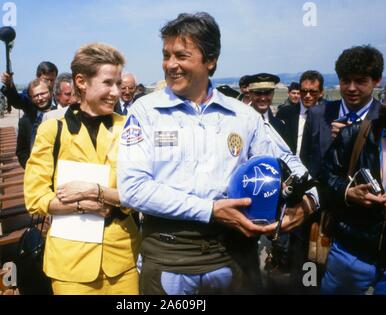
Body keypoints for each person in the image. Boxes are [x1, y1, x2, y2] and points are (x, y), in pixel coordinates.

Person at [117, 12, 316, 295]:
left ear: (210, 60)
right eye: (166, 55)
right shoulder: (144, 112)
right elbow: (132, 189)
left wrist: (308, 202)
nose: (170, 65)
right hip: (170, 258)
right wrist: (210, 210)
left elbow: (292, 166)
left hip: (234, 257)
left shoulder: (244, 117)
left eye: (181, 55)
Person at [24, 43, 140, 295]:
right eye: (108, 83)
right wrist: (81, 205)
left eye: (119, 84)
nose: (116, 92)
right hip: (70, 263)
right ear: (81, 81)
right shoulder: (52, 130)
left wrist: (97, 192)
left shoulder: (130, 128)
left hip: (122, 261)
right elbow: (35, 199)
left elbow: (140, 192)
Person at [318, 45, 385, 294]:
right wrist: (347, 191)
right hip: (343, 239)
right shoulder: (319, 113)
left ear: (376, 81)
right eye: (346, 81)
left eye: (361, 81)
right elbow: (315, 169)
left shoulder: (381, 118)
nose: (352, 88)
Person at [277, 72, 324, 156]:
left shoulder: (329, 115)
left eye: (312, 91)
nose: (307, 95)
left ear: (321, 93)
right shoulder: (285, 113)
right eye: (303, 91)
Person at [16, 78, 53, 168]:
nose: (40, 98)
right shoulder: (25, 122)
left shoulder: (62, 114)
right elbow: (21, 152)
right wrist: (31, 168)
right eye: (35, 96)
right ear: (31, 99)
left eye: (43, 93)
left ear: (51, 93)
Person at [247, 73, 287, 139]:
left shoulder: (280, 125)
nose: (263, 98)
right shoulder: (242, 123)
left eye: (267, 93)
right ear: (250, 95)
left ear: (273, 94)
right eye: (258, 93)